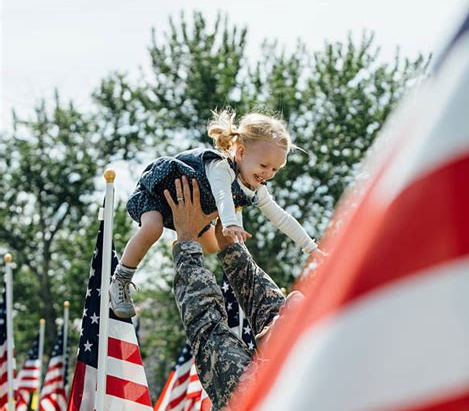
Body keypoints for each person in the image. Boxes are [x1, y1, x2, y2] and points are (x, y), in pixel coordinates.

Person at [110, 109, 320, 318]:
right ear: (241, 153)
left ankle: (182, 242)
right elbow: (222, 195)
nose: (268, 174)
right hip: (160, 192)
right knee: (152, 228)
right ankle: (121, 279)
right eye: (264, 165)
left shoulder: (257, 190)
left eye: (275, 169)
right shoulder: (220, 167)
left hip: (192, 211)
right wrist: (230, 222)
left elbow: (282, 217)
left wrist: (311, 248)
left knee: (213, 245)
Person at [165, 176, 304, 411]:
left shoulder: (253, 387)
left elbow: (205, 323)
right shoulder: (294, 374)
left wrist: (187, 240)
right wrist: (229, 245)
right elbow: (261, 297)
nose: (277, 311)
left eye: (283, 315)